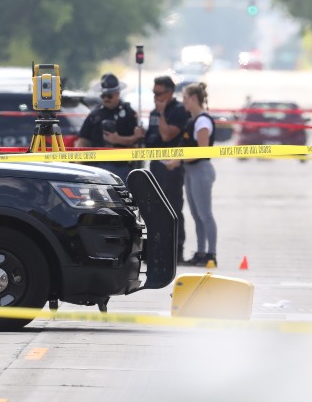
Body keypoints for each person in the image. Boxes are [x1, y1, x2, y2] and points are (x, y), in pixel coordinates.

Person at [165, 83, 217, 267]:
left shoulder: (203, 121)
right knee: (196, 215)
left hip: (201, 170)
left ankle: (211, 254)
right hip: (191, 170)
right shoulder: (191, 120)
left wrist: (178, 160)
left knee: (205, 214)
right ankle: (200, 252)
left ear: (194, 99)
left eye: (185, 98)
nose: (183, 102)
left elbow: (202, 151)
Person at [142, 75, 191, 258]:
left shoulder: (178, 111)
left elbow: (167, 136)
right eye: (153, 93)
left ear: (170, 93)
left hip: (171, 166)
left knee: (172, 207)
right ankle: (156, 248)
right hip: (155, 164)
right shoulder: (155, 111)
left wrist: (162, 113)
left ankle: (177, 250)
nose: (156, 97)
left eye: (159, 93)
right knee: (154, 207)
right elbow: (153, 136)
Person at [74, 73, 142, 182]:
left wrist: (118, 140)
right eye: (103, 96)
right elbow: (83, 139)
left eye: (109, 96)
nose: (106, 99)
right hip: (96, 167)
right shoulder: (95, 114)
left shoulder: (128, 114)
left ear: (118, 94)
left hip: (121, 167)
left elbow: (137, 142)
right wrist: (79, 166)